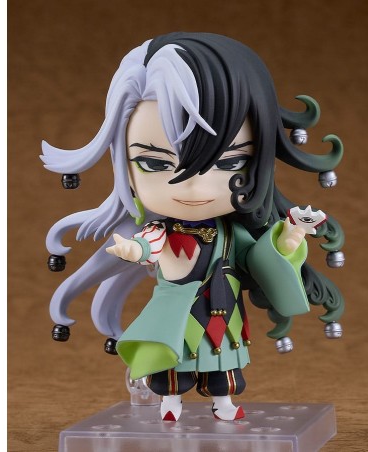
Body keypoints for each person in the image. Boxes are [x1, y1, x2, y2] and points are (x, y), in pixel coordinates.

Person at [42, 32, 345, 421]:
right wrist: (132, 249)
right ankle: (170, 403)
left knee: (224, 367)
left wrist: (289, 236)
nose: (195, 188)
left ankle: (224, 404)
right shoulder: (162, 232)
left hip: (225, 316)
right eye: (155, 163)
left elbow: (259, 259)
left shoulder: (231, 234)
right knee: (174, 366)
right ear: (123, 166)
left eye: (230, 162)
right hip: (178, 316)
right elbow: (148, 246)